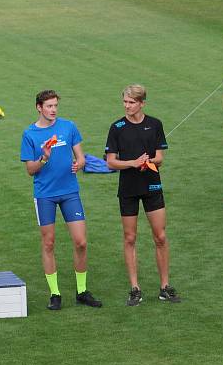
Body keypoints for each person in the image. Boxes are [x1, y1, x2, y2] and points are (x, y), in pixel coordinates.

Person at [20, 90, 102, 310]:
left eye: (55, 105)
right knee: (48, 243)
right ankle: (55, 294)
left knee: (81, 242)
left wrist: (81, 163)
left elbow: (81, 156)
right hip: (45, 194)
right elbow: (30, 169)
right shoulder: (30, 134)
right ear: (39, 107)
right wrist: (44, 158)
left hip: (69, 192)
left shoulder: (68, 127)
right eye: (49, 106)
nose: (53, 110)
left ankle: (82, 291)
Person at [105, 84, 181, 306]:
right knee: (130, 238)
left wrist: (148, 161)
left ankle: (165, 286)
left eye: (131, 102)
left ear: (142, 103)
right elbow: (110, 161)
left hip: (152, 186)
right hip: (128, 189)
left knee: (160, 237)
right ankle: (135, 288)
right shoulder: (116, 127)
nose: (127, 106)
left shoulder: (155, 124)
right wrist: (132, 163)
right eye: (125, 102)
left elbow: (160, 158)